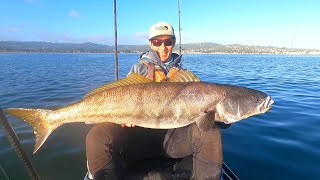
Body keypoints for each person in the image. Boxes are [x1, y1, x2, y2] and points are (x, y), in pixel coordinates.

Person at [85, 22, 223, 180]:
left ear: (173, 43)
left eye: (168, 42)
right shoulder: (137, 71)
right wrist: (121, 119)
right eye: (157, 42)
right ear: (150, 43)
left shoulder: (187, 77)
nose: (163, 47)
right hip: (138, 139)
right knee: (97, 135)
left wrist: (222, 117)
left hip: (174, 139)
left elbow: (206, 113)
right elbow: (121, 100)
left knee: (212, 132)